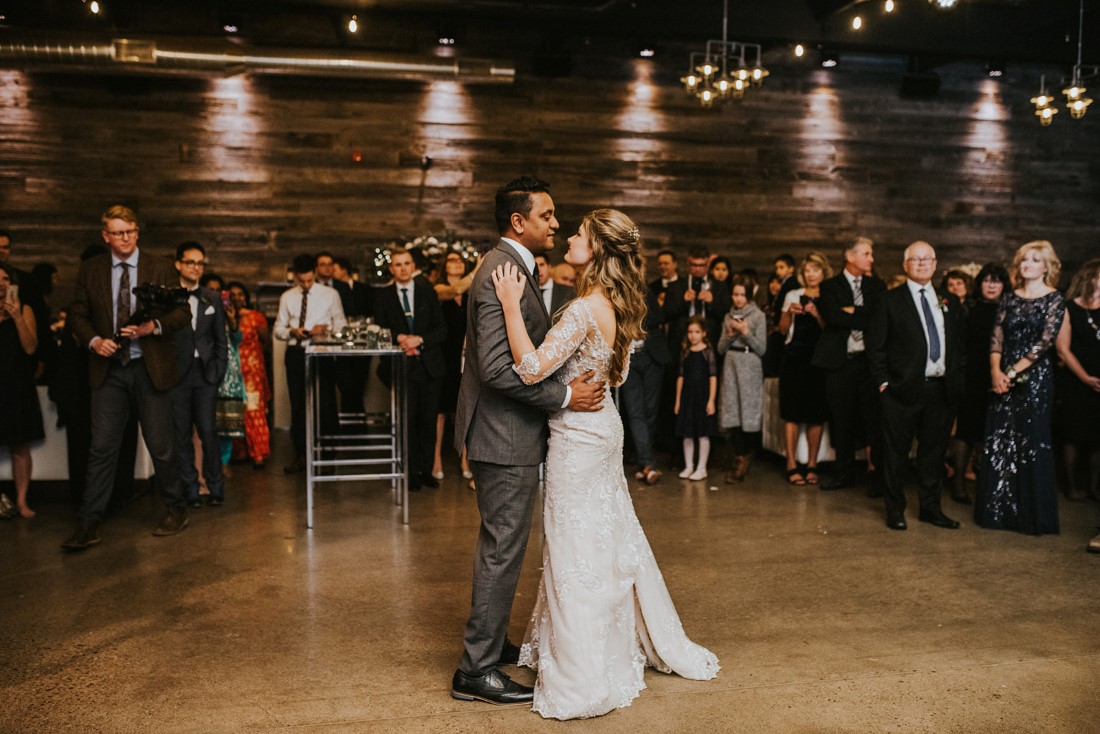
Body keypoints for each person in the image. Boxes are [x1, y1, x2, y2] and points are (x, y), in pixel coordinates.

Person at [489, 208, 719, 719]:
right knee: (603, 539)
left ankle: (584, 668)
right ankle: (601, 643)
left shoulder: (580, 309)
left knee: (574, 547)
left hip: (577, 439)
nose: (569, 236)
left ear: (595, 250)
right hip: (602, 430)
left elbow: (529, 369)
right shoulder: (614, 302)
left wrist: (508, 305)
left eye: (579, 234)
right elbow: (608, 378)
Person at [451, 176, 606, 708]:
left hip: (507, 432)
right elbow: (496, 368)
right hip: (502, 435)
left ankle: (490, 644)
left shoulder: (512, 266)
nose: (556, 224)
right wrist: (564, 396)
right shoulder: (501, 269)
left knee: (506, 547)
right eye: (547, 215)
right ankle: (475, 670)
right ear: (518, 222)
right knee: (502, 550)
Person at [62, 205, 192, 551]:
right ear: (105, 236)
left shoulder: (160, 266)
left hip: (149, 369)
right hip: (109, 372)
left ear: (137, 232)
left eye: (130, 232)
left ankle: (176, 508)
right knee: (102, 447)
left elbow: (182, 311)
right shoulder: (91, 270)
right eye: (118, 233)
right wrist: (93, 340)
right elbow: (76, 313)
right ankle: (89, 522)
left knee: (161, 446)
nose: (125, 238)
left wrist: (154, 326)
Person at [867, 241, 965, 532]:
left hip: (940, 390)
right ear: (905, 265)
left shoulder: (951, 301)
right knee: (895, 455)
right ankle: (895, 510)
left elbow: (959, 345)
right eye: (915, 259)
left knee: (933, 455)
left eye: (927, 259)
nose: (922, 264)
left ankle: (931, 509)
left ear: (935, 264)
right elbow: (875, 348)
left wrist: (957, 379)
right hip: (901, 391)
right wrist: (884, 384)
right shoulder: (889, 300)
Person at [975, 241, 1066, 535]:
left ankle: (1032, 516)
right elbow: (996, 338)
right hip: (1003, 375)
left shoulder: (1054, 299)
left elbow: (1045, 344)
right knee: (1001, 440)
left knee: (1031, 442)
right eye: (1024, 259)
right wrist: (995, 372)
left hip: (1035, 379)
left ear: (1046, 266)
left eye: (1035, 260)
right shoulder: (1009, 298)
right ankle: (999, 513)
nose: (1028, 264)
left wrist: (1012, 372)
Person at [812, 237, 886, 492]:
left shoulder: (877, 286)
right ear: (850, 257)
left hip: (868, 364)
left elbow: (877, 319)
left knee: (873, 420)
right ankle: (843, 473)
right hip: (840, 363)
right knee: (841, 419)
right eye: (867, 253)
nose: (872, 259)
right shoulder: (830, 286)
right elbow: (832, 318)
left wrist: (852, 311)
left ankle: (877, 474)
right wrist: (859, 314)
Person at [374, 248, 448, 491]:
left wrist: (419, 340)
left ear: (412, 265)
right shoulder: (384, 296)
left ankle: (425, 470)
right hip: (402, 366)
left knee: (428, 421)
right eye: (398, 264)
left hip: (430, 367)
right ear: (392, 268)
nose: (403, 268)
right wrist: (401, 339)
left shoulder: (428, 293)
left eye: (407, 263)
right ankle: (409, 472)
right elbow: (380, 329)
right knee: (408, 421)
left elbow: (441, 329)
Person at [273, 253, 346, 473]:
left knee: (326, 404)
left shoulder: (330, 294)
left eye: (309, 280)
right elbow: (277, 329)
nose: (305, 284)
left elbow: (342, 325)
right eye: (301, 281)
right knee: (298, 405)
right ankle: (302, 455)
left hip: (322, 353)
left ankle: (328, 455)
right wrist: (293, 331)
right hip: (296, 352)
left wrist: (327, 330)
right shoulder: (287, 297)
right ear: (295, 276)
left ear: (315, 273)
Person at [172, 242, 228, 508]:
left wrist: (218, 370)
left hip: (205, 373)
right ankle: (191, 488)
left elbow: (221, 339)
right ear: (178, 264)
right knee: (181, 434)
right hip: (178, 375)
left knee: (208, 430)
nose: (196, 268)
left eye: (200, 263)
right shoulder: (169, 297)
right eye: (191, 262)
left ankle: (216, 486)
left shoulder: (211, 297)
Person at [950, 263, 1009, 502]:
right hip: (972, 376)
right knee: (966, 431)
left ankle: (991, 486)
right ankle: (958, 483)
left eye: (997, 281)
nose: (992, 285)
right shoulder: (969, 308)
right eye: (987, 280)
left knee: (993, 431)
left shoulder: (1009, 310)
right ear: (980, 284)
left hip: (1002, 376)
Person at [778, 252, 832, 486]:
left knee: (816, 414)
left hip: (819, 360)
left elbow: (831, 330)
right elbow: (781, 331)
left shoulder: (829, 296)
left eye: (815, 270)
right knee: (791, 412)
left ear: (823, 273)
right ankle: (791, 463)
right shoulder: (792, 294)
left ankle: (812, 464)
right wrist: (789, 313)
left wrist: (816, 313)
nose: (811, 274)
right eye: (807, 270)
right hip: (793, 359)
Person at [0, 262, 43, 519]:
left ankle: (22, 500)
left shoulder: (24, 308)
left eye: (5, 278)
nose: (1, 283)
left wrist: (15, 316)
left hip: (17, 384)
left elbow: (30, 348)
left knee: (20, 445)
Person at [1055, 258, 1100, 502]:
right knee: (1072, 435)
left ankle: (1094, 487)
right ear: (1090, 278)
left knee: (1097, 438)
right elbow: (1063, 349)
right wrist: (1085, 378)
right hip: (1075, 379)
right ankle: (1071, 485)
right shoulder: (1070, 308)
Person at [619, 279, 670, 486]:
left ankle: (644, 461)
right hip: (628, 358)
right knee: (635, 411)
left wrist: (638, 321)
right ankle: (648, 464)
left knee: (650, 410)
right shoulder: (613, 295)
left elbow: (660, 317)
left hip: (651, 356)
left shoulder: (645, 291)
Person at [717, 275, 766, 483]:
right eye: (735, 295)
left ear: (749, 296)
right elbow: (719, 349)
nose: (738, 299)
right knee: (732, 410)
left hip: (750, 363)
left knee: (748, 410)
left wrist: (746, 332)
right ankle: (738, 455)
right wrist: (729, 335)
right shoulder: (728, 316)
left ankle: (746, 456)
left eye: (742, 295)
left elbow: (762, 349)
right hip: (731, 363)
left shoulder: (758, 316)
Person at [433, 251, 474, 481]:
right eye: (451, 260)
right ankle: (436, 458)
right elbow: (454, 290)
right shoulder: (438, 289)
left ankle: (465, 459)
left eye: (459, 260)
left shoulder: (472, 292)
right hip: (442, 356)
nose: (456, 263)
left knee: (465, 410)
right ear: (444, 266)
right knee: (440, 411)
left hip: (465, 357)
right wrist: (477, 268)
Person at [227, 282, 271, 469]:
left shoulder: (255, 317)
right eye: (232, 294)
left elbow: (265, 341)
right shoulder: (223, 317)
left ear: (245, 297)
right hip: (231, 370)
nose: (236, 298)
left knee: (254, 412)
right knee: (234, 411)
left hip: (252, 370)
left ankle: (258, 453)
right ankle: (239, 451)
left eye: (240, 294)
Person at [675, 316, 718, 481]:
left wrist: (711, 400)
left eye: (697, 332)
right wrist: (678, 400)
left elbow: (712, 376)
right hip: (687, 397)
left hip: (702, 397)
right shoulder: (685, 352)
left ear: (704, 333)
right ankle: (689, 466)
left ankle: (701, 468)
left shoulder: (708, 352)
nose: (693, 335)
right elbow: (680, 377)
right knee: (687, 433)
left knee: (702, 433)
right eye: (690, 332)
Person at [665, 245, 731, 349]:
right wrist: (683, 301)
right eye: (693, 265)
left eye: (701, 265)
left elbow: (727, 314)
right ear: (688, 263)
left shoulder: (719, 286)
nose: (697, 269)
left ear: (708, 264)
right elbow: (665, 315)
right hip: (681, 340)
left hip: (711, 339)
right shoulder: (675, 286)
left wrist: (712, 302)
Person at [533, 253, 574, 319]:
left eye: (542, 265)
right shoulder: (528, 291)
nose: (538, 269)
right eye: (534, 266)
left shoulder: (567, 291)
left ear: (549, 267)